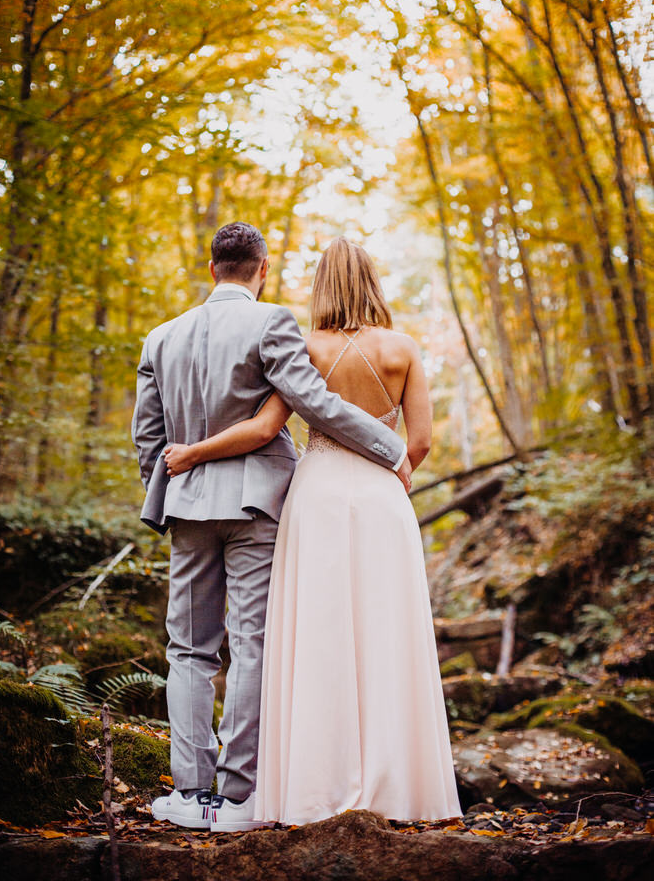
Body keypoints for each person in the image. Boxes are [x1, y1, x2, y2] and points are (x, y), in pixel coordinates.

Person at [164, 237, 462, 826]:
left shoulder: (304, 347)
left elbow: (264, 426)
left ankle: (310, 787)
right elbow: (421, 441)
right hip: (382, 493)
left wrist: (193, 455)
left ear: (321, 286)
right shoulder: (402, 348)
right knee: (385, 631)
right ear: (373, 282)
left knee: (315, 636)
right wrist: (393, 474)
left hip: (317, 494)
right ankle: (397, 785)